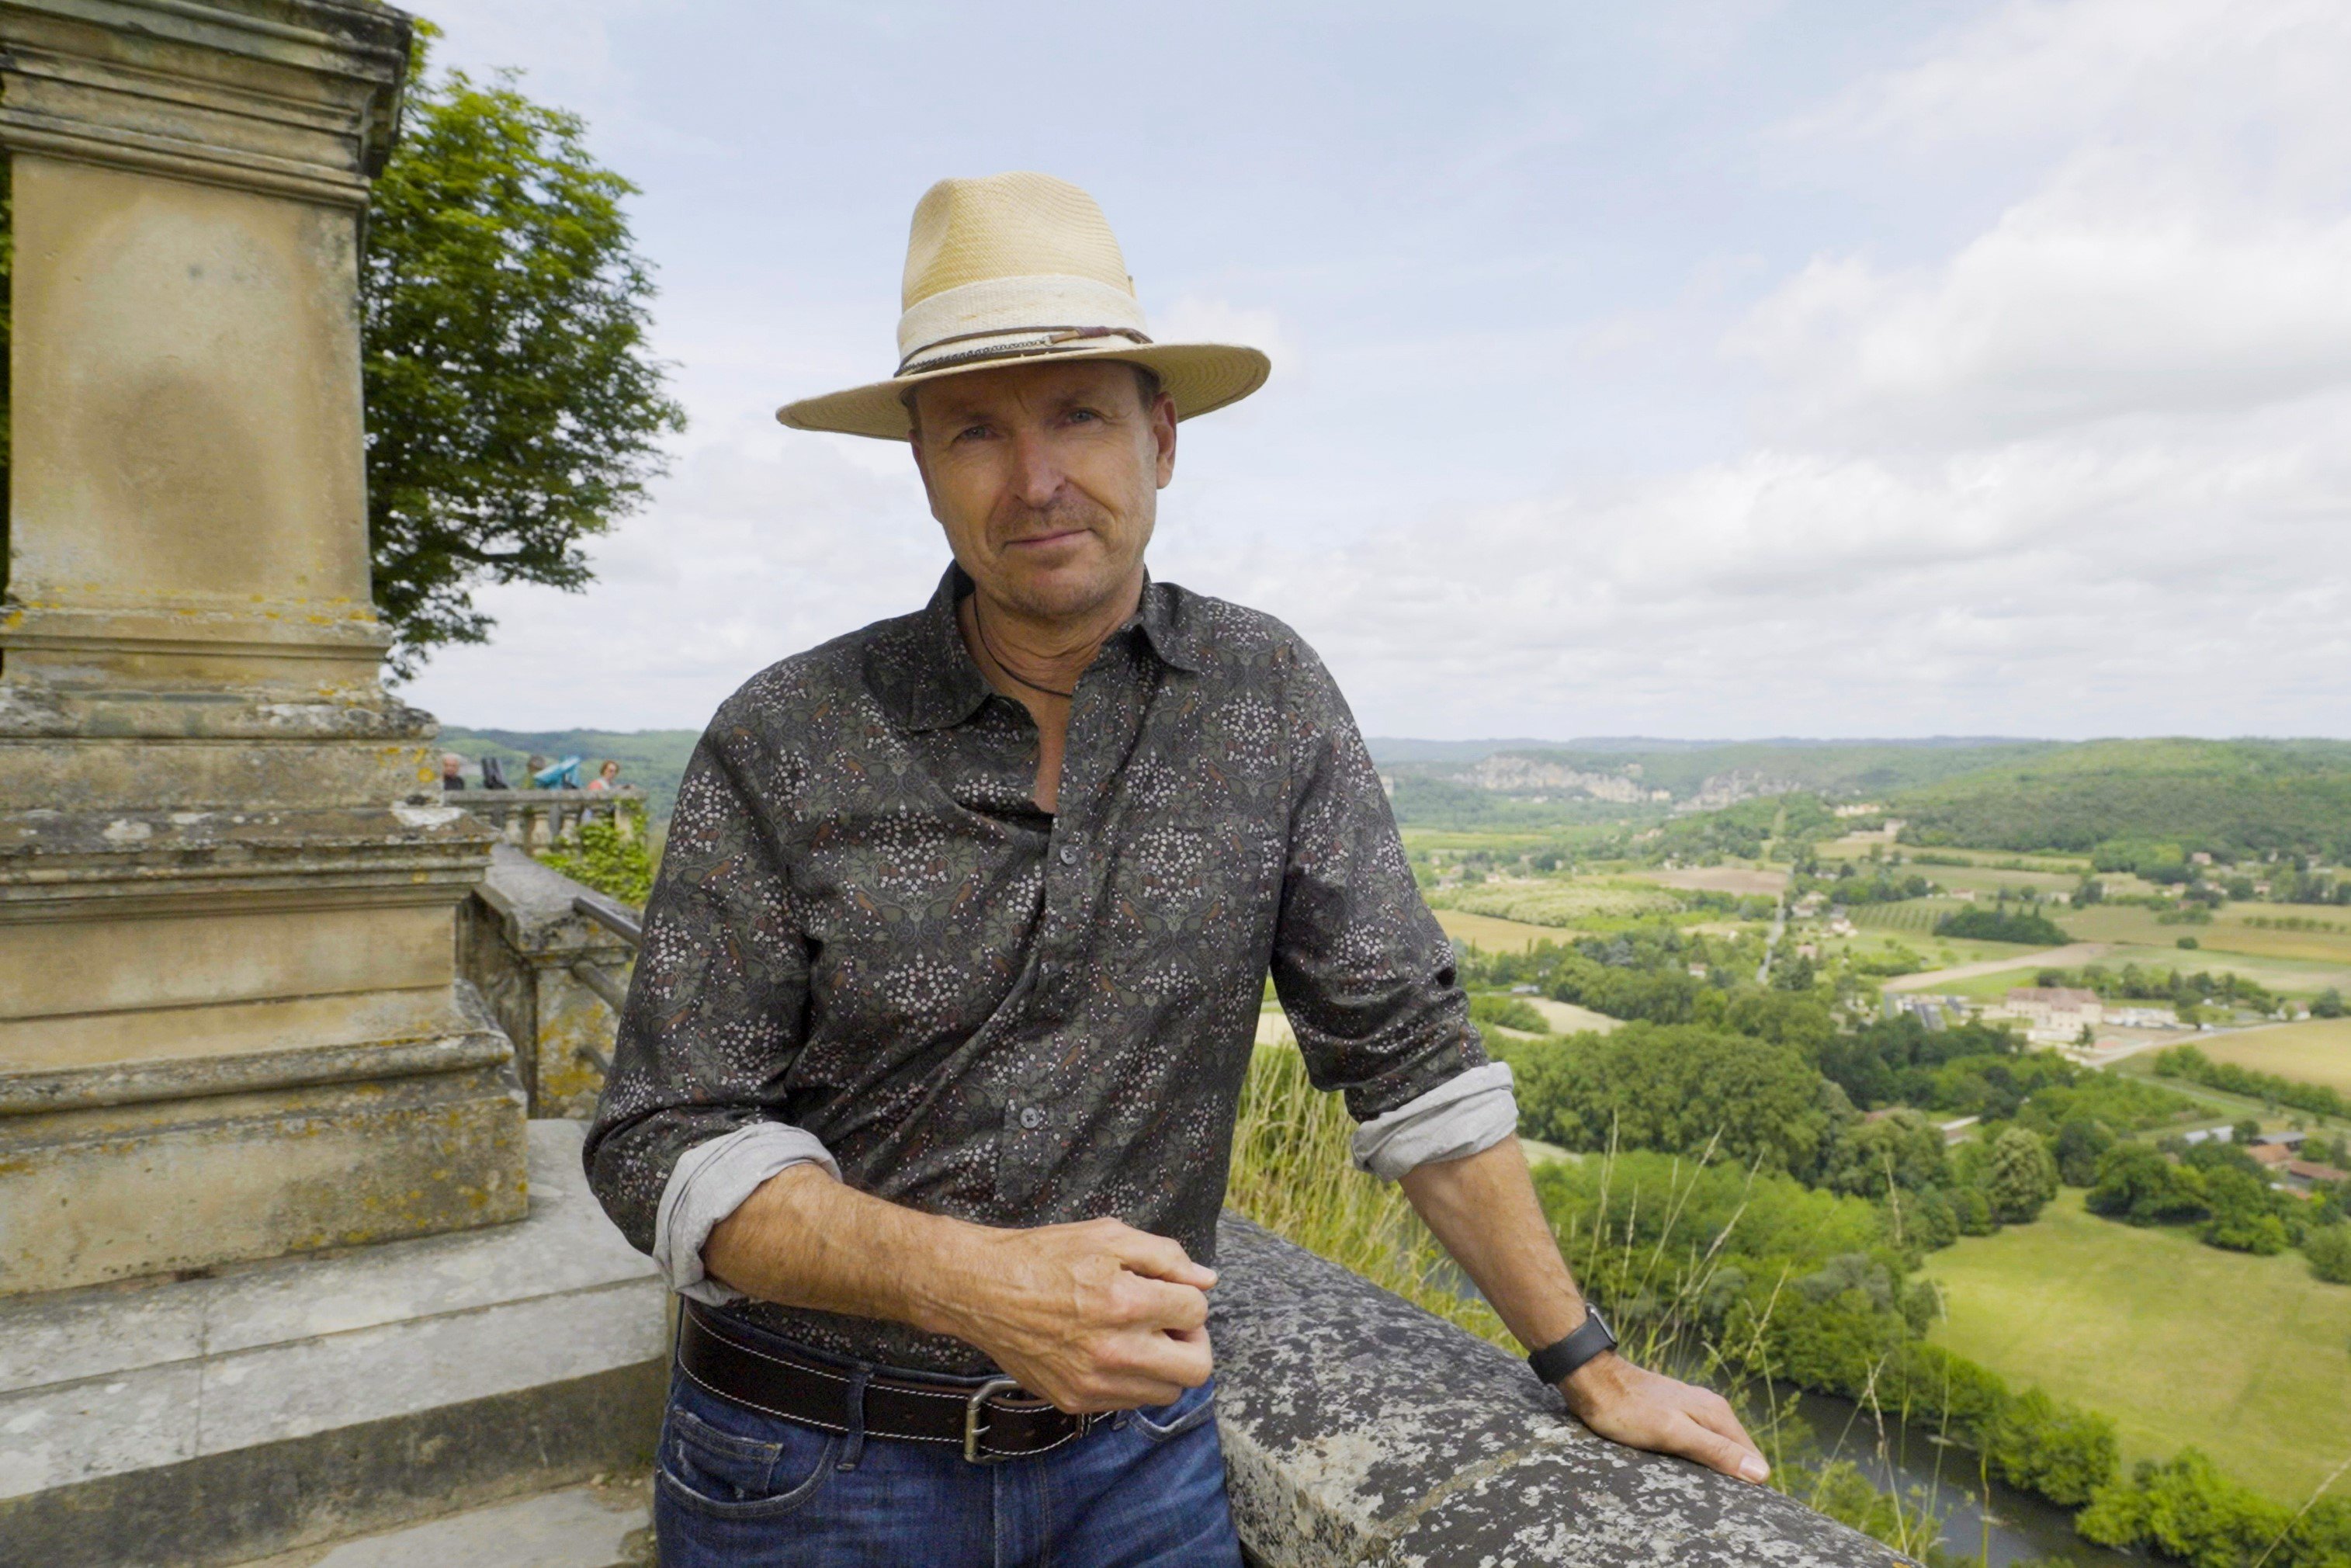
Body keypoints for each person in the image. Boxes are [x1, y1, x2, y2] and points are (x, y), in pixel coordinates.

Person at [585, 172, 1766, 1568]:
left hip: (1133, 1472)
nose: (1035, 482)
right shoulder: (786, 733)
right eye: (977, 430)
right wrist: (974, 1284)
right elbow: (659, 1135)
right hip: (808, 1467)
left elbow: (1405, 1051)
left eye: (1078, 414)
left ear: (1161, 437)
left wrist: (1585, 1358)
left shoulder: (1262, 694)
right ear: (921, 465)